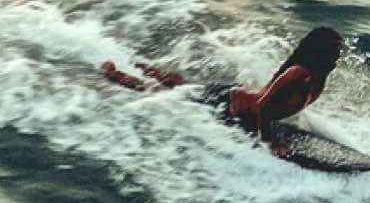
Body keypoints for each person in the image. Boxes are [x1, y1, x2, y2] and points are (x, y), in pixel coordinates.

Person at [99, 27, 345, 155]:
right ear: (320, 52)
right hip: (226, 104)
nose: (338, 55)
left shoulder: (319, 76)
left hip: (237, 98)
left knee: (180, 87)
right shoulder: (297, 74)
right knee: (159, 93)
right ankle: (114, 73)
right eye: (335, 50)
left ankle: (141, 65)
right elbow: (262, 106)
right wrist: (269, 142)